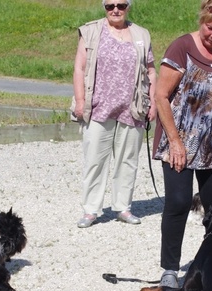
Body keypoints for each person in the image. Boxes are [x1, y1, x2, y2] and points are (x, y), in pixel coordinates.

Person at [152, 0, 212, 287]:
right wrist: (175, 142)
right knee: (179, 202)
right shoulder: (182, 47)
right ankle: (169, 269)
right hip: (180, 139)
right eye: (209, 27)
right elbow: (161, 96)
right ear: (202, 20)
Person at [72, 0, 156, 228]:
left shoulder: (141, 34)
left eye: (120, 5)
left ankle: (123, 207)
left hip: (132, 107)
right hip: (98, 105)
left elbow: (150, 69)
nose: (115, 10)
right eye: (110, 6)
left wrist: (153, 102)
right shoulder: (90, 31)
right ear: (104, 7)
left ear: (128, 6)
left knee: (128, 160)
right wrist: (80, 100)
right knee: (95, 160)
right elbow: (79, 68)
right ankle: (91, 210)